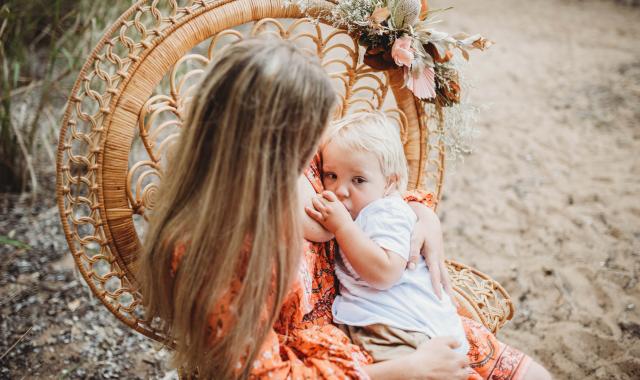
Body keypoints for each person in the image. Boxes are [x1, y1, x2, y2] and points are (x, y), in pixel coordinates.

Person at [138, 37, 551, 379]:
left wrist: (425, 221)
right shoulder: (214, 251)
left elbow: (374, 187)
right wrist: (405, 370)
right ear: (270, 144)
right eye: (310, 131)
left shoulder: (303, 168)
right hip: (349, 360)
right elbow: (264, 374)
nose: (318, 142)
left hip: (385, 309)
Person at [304, 112, 470, 364]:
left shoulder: (385, 212)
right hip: (385, 321)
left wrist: (342, 227)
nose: (340, 190)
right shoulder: (366, 208)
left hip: (400, 328)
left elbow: (385, 273)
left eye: (358, 180)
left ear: (389, 182)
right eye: (331, 175)